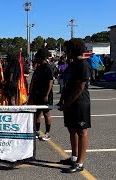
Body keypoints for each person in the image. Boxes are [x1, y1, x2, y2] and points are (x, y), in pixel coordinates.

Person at [58, 38, 91, 173]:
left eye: (67, 50)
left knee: (81, 131)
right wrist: (62, 100)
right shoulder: (71, 65)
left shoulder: (83, 64)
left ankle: (80, 163)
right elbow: (66, 85)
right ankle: (74, 157)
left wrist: (68, 103)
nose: (66, 53)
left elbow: (80, 88)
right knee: (72, 130)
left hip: (80, 103)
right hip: (69, 103)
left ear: (72, 50)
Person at [29, 48, 54, 141]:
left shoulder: (48, 68)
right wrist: (31, 92)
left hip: (45, 94)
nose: (36, 58)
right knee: (37, 113)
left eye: (37, 57)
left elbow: (50, 81)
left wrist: (46, 94)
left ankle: (47, 133)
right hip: (37, 94)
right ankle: (37, 131)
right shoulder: (38, 68)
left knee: (46, 113)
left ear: (42, 57)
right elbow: (34, 80)